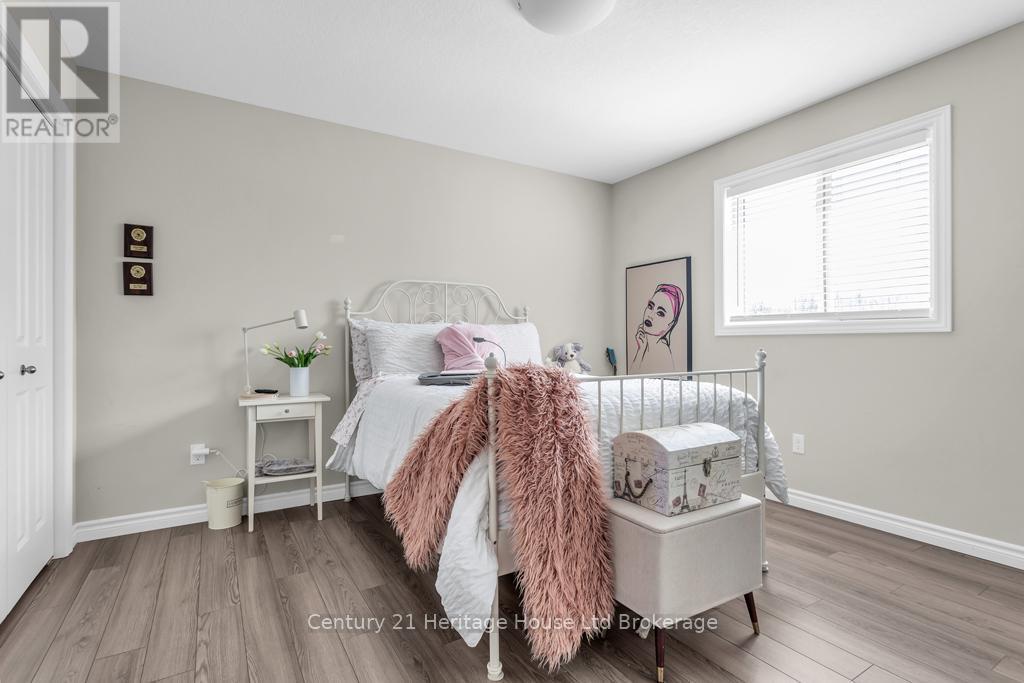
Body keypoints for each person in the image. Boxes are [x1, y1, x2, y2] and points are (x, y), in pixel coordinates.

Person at [633, 283, 684, 371]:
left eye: (660, 313)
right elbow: (633, 380)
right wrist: (641, 349)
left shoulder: (663, 352)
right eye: (650, 306)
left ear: (670, 324)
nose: (650, 315)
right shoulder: (645, 343)